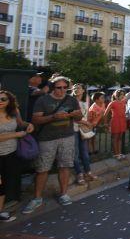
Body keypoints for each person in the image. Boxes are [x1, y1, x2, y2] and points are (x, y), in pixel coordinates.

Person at [23, 76, 83, 214]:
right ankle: (37, 198)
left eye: (64, 88)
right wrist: (53, 117)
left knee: (65, 166)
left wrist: (76, 114)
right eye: (58, 87)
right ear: (52, 87)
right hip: (47, 138)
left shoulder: (71, 100)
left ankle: (63, 194)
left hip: (67, 137)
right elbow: (35, 119)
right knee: (43, 168)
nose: (62, 90)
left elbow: (79, 117)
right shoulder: (43, 100)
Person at [0, 90, 34, 222]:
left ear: (9, 101)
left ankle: (1, 211)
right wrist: (16, 135)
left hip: (11, 153)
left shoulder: (14, 112)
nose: (0, 101)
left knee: (4, 184)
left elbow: (20, 124)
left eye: (3, 99)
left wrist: (28, 125)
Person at [71, 84, 97, 185]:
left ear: (83, 90)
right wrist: (86, 123)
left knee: (85, 152)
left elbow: (86, 114)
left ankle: (88, 172)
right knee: (75, 153)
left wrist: (89, 122)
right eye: (74, 88)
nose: (76, 89)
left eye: (78, 88)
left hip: (83, 129)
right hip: (73, 128)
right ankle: (79, 174)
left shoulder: (86, 99)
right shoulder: (70, 101)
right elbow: (72, 116)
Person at [104, 90, 128, 160]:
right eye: (121, 94)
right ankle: (116, 154)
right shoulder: (112, 103)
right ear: (116, 95)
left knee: (120, 138)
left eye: (123, 94)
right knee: (115, 138)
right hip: (115, 121)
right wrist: (106, 124)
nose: (122, 96)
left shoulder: (124, 102)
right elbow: (105, 114)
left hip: (122, 121)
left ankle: (119, 153)